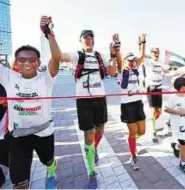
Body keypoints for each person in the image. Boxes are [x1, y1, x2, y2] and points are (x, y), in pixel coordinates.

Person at [0, 13, 61, 189]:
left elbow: (56, 57)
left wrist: (49, 32)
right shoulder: (8, 76)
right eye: (22, 59)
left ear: (38, 62)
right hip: (18, 136)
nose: (27, 63)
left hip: (43, 134)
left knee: (47, 160)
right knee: (19, 183)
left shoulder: (46, 78)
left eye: (32, 60)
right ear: (16, 62)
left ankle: (51, 168)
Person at [59, 30, 117, 188]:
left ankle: (94, 150)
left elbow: (112, 72)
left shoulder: (100, 55)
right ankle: (92, 171)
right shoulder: (77, 55)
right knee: (89, 134)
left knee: (100, 131)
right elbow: (58, 56)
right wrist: (50, 35)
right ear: (81, 41)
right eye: (86, 38)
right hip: (84, 100)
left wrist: (113, 54)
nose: (90, 40)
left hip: (100, 99)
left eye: (92, 38)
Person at [117, 50, 146, 170]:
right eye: (129, 60)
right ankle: (133, 155)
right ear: (124, 61)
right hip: (127, 105)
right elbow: (123, 86)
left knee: (142, 132)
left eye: (133, 60)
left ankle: (131, 142)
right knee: (133, 133)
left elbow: (142, 56)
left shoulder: (136, 69)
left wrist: (143, 43)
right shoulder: (121, 71)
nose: (132, 62)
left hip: (138, 103)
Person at [166, 77, 185, 178]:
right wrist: (177, 112)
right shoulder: (173, 98)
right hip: (180, 127)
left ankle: (175, 146)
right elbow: (166, 109)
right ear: (182, 87)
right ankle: (183, 164)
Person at [139, 45, 169, 143]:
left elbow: (167, 71)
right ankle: (153, 131)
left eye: (157, 52)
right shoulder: (148, 61)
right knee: (153, 111)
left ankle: (152, 122)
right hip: (150, 88)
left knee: (159, 111)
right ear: (151, 53)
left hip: (159, 88)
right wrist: (142, 44)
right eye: (154, 52)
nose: (156, 54)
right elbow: (141, 56)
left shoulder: (161, 63)